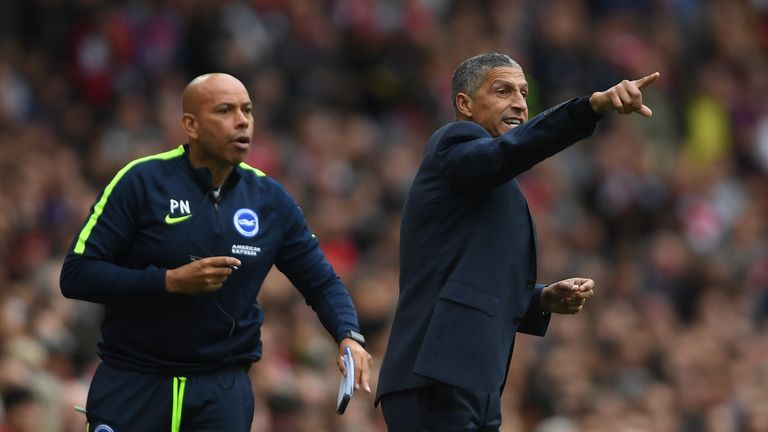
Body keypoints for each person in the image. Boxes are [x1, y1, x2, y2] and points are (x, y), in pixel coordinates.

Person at [60, 73, 372, 431]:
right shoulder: (140, 182)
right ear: (190, 125)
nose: (242, 121)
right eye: (225, 110)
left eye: (248, 111)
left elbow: (321, 282)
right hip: (134, 382)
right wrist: (168, 281)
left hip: (222, 392)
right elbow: (76, 274)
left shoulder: (270, 201)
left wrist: (349, 333)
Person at [375, 53, 659, 430]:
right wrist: (590, 108)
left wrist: (540, 298)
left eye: (524, 93)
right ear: (465, 104)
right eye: (503, 90)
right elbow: (510, 152)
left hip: (474, 380)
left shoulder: (489, 180)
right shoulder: (454, 143)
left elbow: (469, 278)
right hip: (434, 377)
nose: (520, 103)